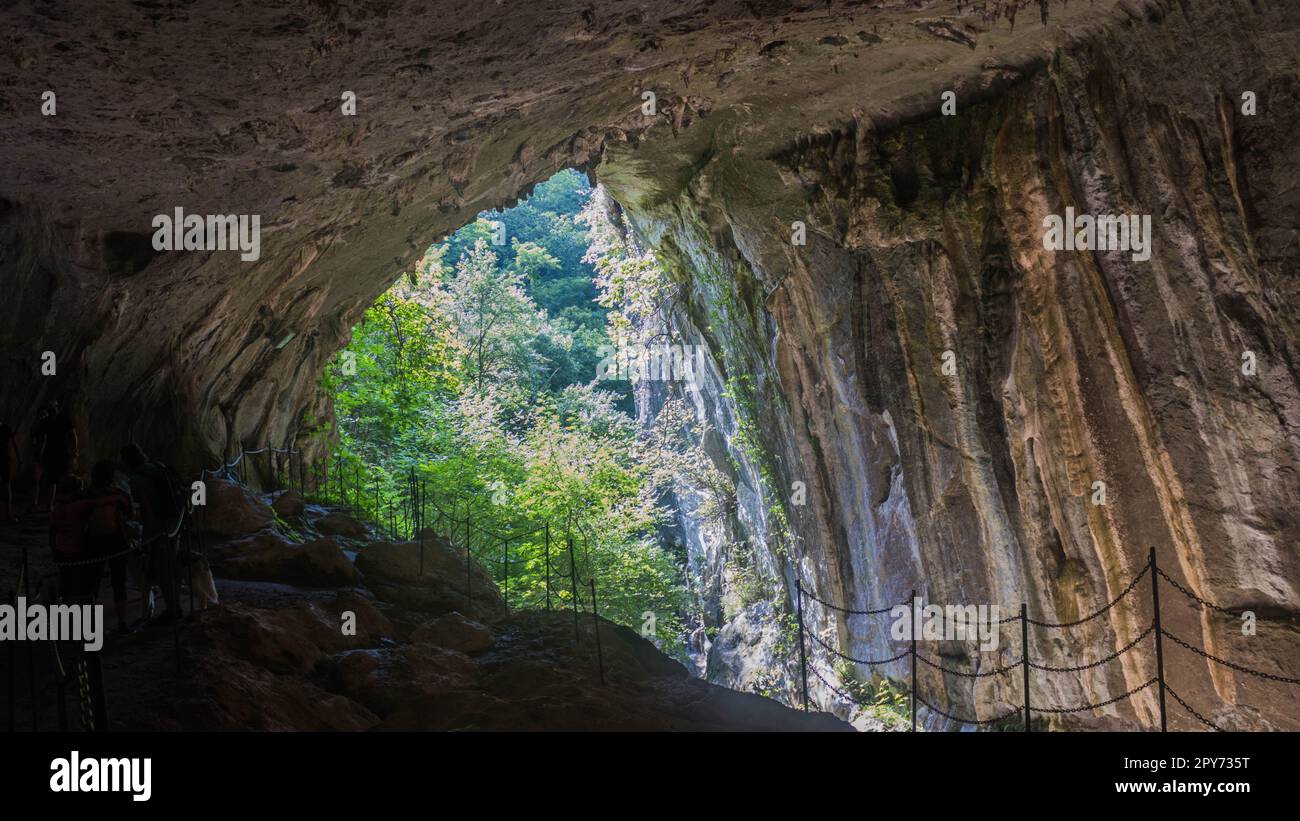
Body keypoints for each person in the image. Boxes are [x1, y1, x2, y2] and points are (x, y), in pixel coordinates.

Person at [121, 444, 182, 623]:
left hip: (159, 526)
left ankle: (172, 611)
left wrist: (147, 534)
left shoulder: (137, 479)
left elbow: (146, 508)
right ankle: (175, 606)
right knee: (172, 564)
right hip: (175, 520)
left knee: (162, 568)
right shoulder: (157, 467)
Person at [82, 459, 134, 634]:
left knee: (91, 583)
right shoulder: (118, 495)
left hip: (94, 541)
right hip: (116, 541)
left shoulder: (87, 495)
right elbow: (130, 511)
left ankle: (88, 627)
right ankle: (122, 623)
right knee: (119, 582)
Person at [38, 402, 77, 510]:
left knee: (63, 479)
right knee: (52, 480)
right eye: (51, 407)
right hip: (51, 453)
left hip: (62, 453)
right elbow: (42, 438)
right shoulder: (45, 422)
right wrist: (41, 453)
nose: (52, 409)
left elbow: (73, 435)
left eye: (54, 406)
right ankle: (50, 505)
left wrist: (74, 450)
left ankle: (63, 504)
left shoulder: (64, 419)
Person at [0, 420, 17, 523]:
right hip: (5, 459)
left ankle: (7, 513)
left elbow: (12, 444)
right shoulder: (6, 428)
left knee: (6, 485)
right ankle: (7, 514)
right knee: (6, 486)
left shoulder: (6, 428)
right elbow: (13, 444)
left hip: (5, 459)